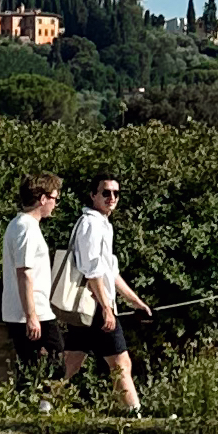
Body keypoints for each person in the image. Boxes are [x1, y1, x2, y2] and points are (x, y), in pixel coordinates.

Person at [61, 171, 150, 411]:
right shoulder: (91, 223)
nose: (112, 197)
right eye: (106, 193)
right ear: (93, 195)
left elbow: (110, 272)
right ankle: (134, 414)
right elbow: (92, 271)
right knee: (121, 363)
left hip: (93, 305)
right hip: (96, 305)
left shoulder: (102, 224)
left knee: (71, 362)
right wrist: (107, 308)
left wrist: (135, 302)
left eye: (115, 193)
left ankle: (43, 407)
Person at [0, 174, 66, 378]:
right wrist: (31, 316)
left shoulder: (20, 225)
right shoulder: (26, 228)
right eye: (55, 199)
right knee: (53, 364)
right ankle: (42, 407)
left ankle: (38, 406)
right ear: (43, 198)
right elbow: (24, 273)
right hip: (31, 312)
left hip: (27, 311)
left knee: (33, 367)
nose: (55, 204)